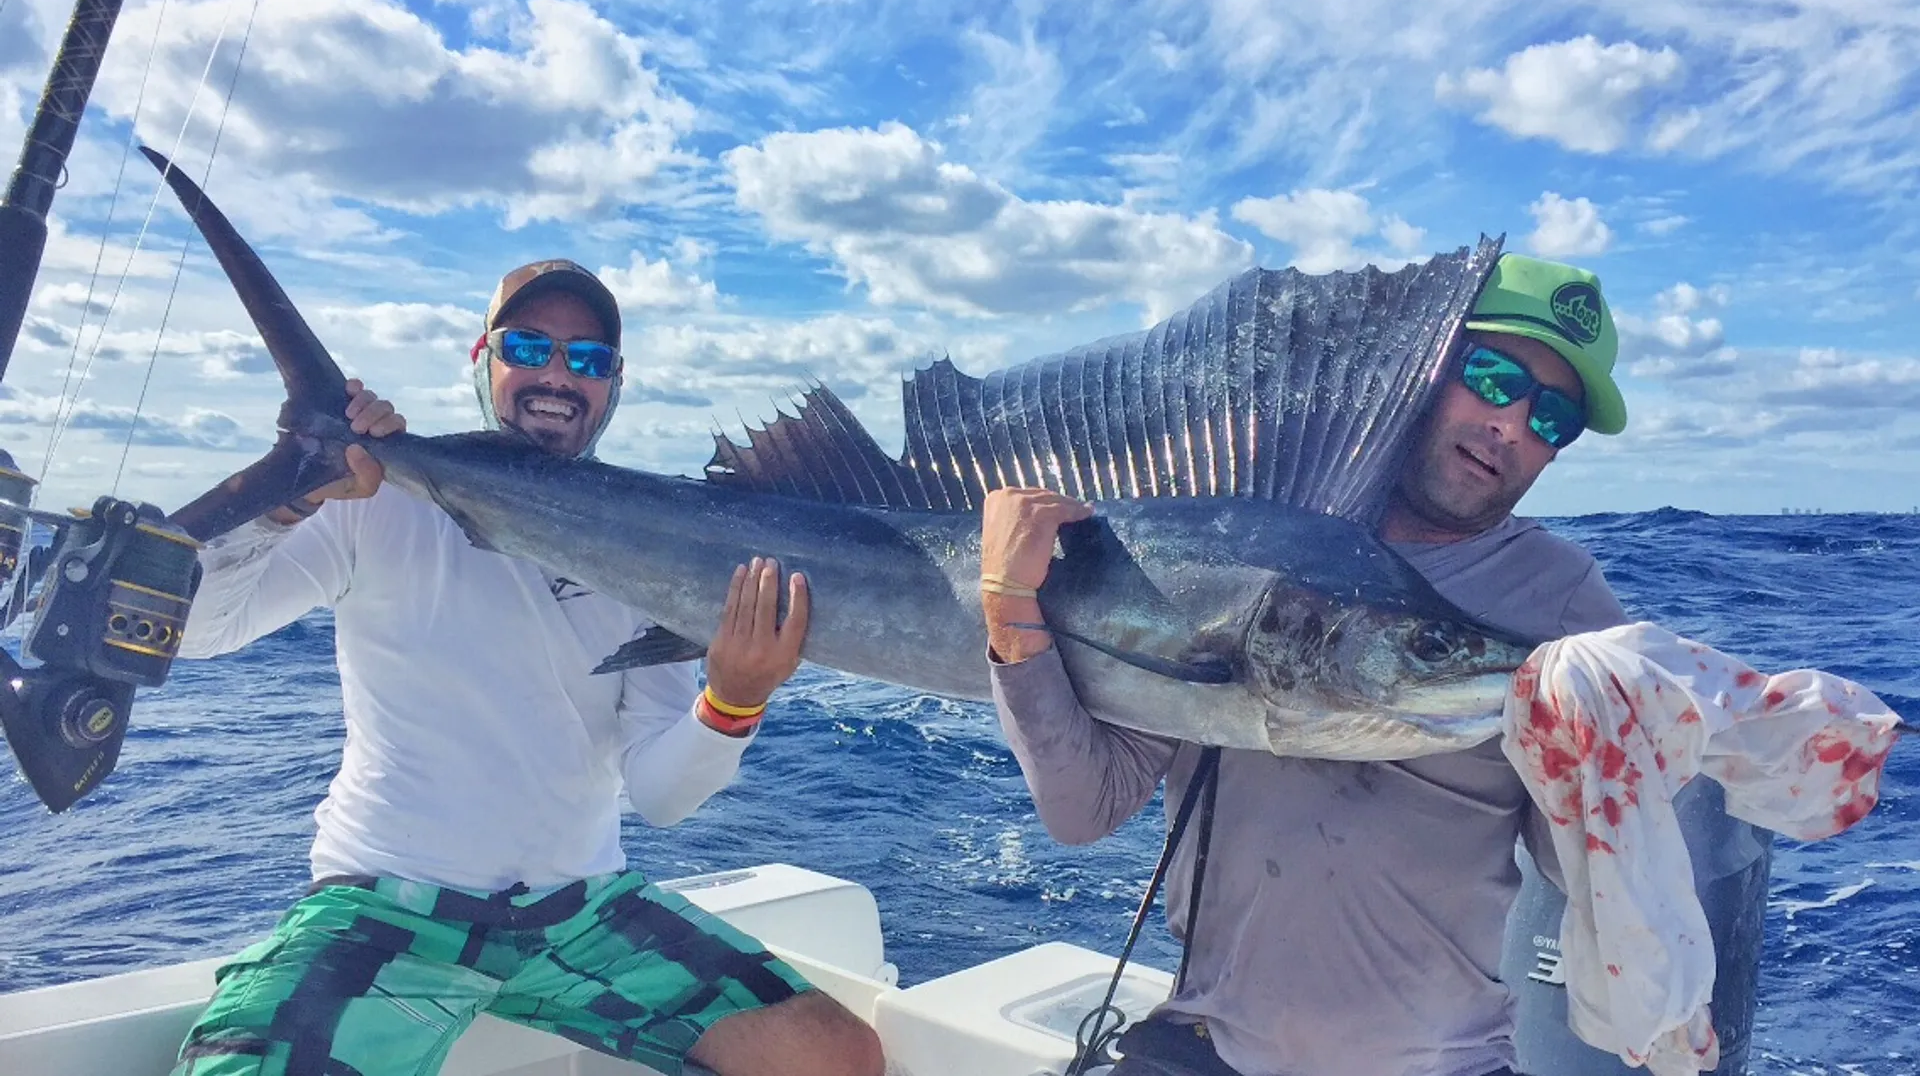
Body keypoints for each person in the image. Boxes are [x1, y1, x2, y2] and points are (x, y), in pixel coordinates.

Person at [168, 260, 884, 1076]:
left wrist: (735, 699)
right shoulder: (378, 502)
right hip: (385, 906)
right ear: (484, 358)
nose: (556, 374)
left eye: (587, 359)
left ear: (613, 383)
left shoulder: (666, 546)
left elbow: (659, 794)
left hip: (580, 912)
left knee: (836, 1054)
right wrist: (296, 493)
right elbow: (194, 631)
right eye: (528, 346)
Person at [978, 253, 1635, 1076]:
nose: (1512, 424)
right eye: (1494, 377)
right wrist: (1010, 614)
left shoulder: (1566, 600)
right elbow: (1086, 809)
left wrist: (1618, 770)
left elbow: (1581, 863)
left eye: (1553, 421)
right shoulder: (1247, 528)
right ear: (1424, 366)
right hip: (1209, 1044)